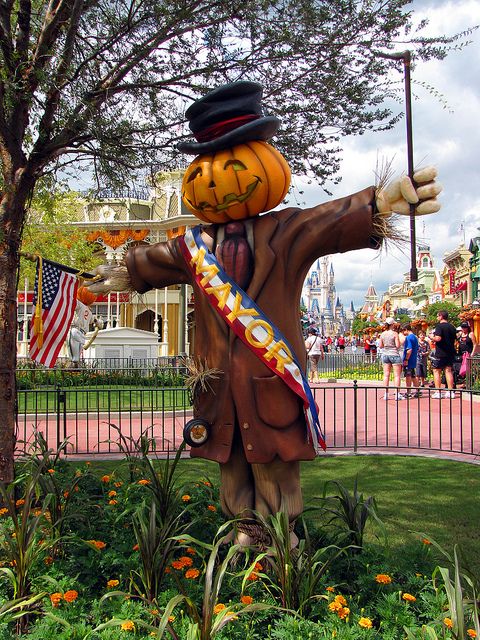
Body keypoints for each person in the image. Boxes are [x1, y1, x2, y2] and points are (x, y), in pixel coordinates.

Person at [429, 310, 457, 398]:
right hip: (450, 352)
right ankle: (450, 391)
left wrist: (431, 337)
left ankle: (438, 391)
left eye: (438, 316)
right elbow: (455, 339)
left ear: (441, 316)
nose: (437, 318)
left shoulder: (439, 326)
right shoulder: (452, 327)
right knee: (448, 371)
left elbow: (438, 338)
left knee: (437, 371)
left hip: (441, 352)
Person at [379, 318, 404, 400]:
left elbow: (380, 346)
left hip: (386, 354)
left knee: (386, 375)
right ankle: (397, 393)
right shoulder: (395, 334)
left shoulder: (382, 334)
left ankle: (386, 394)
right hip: (394, 354)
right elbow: (397, 345)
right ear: (392, 324)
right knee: (397, 375)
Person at [455, 321, 478, 387]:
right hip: (461, 354)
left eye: (465, 327)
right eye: (462, 327)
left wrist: (472, 353)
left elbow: (475, 344)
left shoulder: (471, 334)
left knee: (468, 369)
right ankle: (462, 381)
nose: (464, 329)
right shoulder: (460, 334)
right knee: (460, 368)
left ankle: (468, 383)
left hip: (468, 354)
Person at [401, 324, 420, 397]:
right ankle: (417, 390)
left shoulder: (408, 338)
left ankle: (408, 391)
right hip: (413, 358)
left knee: (408, 375)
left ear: (406, 330)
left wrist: (406, 359)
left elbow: (409, 350)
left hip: (409, 359)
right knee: (413, 375)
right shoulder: (415, 337)